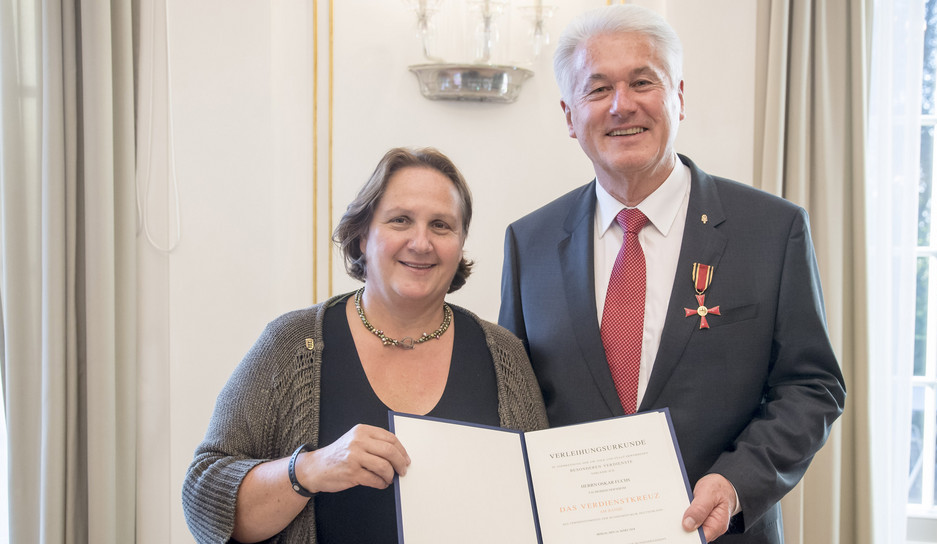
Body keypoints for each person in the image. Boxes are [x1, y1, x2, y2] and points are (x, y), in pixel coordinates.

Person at [498, 5, 845, 543]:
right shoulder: (530, 242)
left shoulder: (771, 230)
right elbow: (513, 396)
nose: (622, 105)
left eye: (643, 82)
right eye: (597, 89)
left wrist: (735, 483)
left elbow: (812, 385)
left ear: (679, 96)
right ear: (569, 116)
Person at [183, 147, 549, 543]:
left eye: (441, 225)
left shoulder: (504, 355)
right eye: (400, 220)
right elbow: (204, 494)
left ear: (460, 245)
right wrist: (307, 470)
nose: (421, 242)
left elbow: (545, 502)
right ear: (362, 237)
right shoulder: (291, 344)